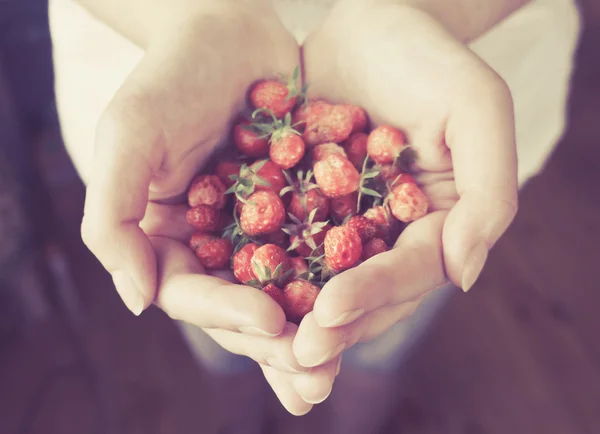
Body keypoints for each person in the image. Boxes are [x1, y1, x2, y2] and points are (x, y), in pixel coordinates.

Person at [49, 0, 581, 432]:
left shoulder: (353, 177)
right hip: (165, 96)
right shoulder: (248, 181)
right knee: (222, 332)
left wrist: (426, 12)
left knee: (381, 323)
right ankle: (238, 419)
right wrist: (199, 17)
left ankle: (358, 422)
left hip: (443, 107)